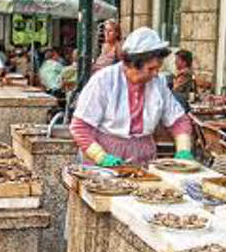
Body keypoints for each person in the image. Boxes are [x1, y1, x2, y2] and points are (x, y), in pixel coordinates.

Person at [69, 27, 193, 166]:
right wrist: (101, 157)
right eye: (150, 69)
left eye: (157, 69)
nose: (155, 74)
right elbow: (80, 127)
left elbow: (179, 121)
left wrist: (184, 151)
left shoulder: (157, 83)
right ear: (131, 64)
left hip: (143, 156)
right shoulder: (104, 80)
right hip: (105, 155)